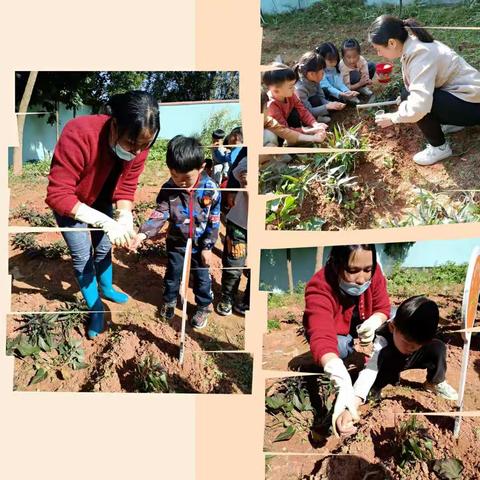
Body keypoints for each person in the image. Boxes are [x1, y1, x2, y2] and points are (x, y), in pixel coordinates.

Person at [45, 90, 160, 339]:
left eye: (144, 145)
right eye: (132, 143)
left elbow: (127, 186)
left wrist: (124, 216)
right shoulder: (79, 132)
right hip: (71, 202)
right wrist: (103, 220)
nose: (137, 151)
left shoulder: (139, 143)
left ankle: (106, 287)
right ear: (115, 124)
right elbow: (58, 194)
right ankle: (95, 306)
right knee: (81, 252)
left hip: (102, 198)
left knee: (105, 243)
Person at [129, 135, 220, 329]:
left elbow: (214, 220)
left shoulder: (211, 189)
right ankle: (170, 300)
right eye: (175, 175)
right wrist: (143, 233)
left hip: (200, 242)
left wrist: (207, 247)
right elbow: (160, 213)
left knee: (202, 276)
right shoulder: (169, 188)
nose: (181, 182)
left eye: (187, 178)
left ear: (202, 167)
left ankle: (203, 306)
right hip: (176, 240)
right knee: (173, 272)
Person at [335, 296, 459, 437]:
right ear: (392, 327)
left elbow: (420, 341)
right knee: (379, 371)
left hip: (408, 360)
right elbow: (370, 370)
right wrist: (352, 404)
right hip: (387, 364)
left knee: (438, 347)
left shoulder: (417, 333)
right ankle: (374, 389)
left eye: (418, 344)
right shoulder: (382, 339)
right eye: (407, 342)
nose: (412, 347)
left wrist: (418, 346)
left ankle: (434, 382)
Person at [303, 245, 390, 434]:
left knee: (399, 318)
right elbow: (322, 335)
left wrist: (376, 320)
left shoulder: (374, 274)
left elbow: (383, 307)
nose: (361, 279)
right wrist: (342, 382)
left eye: (368, 270)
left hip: (360, 320)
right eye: (352, 271)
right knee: (340, 347)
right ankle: (331, 361)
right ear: (336, 265)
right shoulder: (319, 286)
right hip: (336, 330)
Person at [370, 15, 480, 165]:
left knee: (414, 101)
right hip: (467, 98)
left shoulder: (420, 54)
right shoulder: (413, 45)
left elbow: (420, 106)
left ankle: (439, 148)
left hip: (474, 106)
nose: (378, 54)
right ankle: (455, 122)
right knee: (406, 95)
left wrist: (393, 117)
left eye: (378, 49)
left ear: (391, 43)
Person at [263, 64, 328, 146]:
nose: (294, 88)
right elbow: (284, 130)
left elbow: (302, 110)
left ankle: (301, 137)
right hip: (280, 131)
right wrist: (308, 130)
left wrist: (314, 123)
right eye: (291, 86)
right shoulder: (271, 105)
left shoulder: (290, 93)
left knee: (295, 113)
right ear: (276, 91)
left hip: (287, 125)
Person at [217, 154, 249, 316]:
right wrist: (237, 184)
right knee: (233, 263)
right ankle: (227, 296)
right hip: (240, 222)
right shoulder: (250, 160)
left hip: (270, 228)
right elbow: (240, 167)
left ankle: (249, 299)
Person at [294, 51, 346, 124]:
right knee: (314, 99)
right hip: (304, 113)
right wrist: (327, 106)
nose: (323, 74)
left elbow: (321, 97)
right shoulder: (300, 89)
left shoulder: (315, 80)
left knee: (324, 94)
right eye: (322, 72)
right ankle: (316, 119)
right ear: (311, 74)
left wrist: (331, 104)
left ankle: (319, 115)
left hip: (314, 105)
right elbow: (307, 111)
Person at [261, 90, 326, 148]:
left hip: (288, 130)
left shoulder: (268, 120)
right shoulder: (271, 105)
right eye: (265, 108)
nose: (268, 109)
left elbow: (284, 131)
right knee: (269, 134)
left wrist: (313, 137)